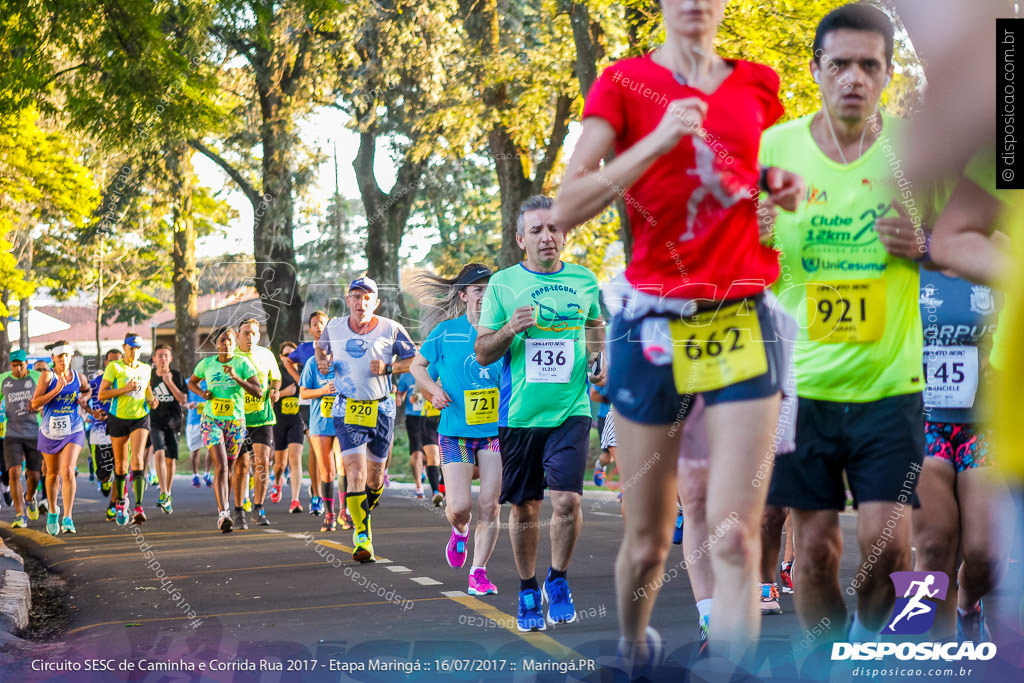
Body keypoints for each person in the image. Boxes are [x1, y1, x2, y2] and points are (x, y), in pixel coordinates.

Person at [554, 0, 802, 667]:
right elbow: (567, 205)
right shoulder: (624, 82)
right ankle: (636, 651)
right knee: (648, 537)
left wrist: (785, 195)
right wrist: (659, 139)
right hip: (652, 322)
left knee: (738, 538)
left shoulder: (758, 84)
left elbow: (777, 185)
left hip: (740, 318)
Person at [761, 4, 942, 646]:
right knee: (811, 552)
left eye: (870, 65)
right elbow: (747, 266)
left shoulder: (918, 155)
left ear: (889, 74)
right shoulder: (775, 150)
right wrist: (752, 244)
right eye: (840, 64)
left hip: (890, 385)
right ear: (816, 70)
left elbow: (972, 234)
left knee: (888, 549)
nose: (854, 79)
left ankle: (874, 646)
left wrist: (927, 245)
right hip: (804, 388)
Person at [475, 196, 605, 633]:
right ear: (521, 240)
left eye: (554, 229)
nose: (547, 237)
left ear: (564, 233)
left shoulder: (585, 279)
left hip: (571, 409)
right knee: (526, 508)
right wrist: (511, 327)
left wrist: (598, 356)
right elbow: (483, 351)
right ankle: (529, 587)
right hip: (519, 416)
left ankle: (559, 579)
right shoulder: (503, 285)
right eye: (537, 231)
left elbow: (594, 323)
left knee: (567, 499)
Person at [409, 263, 504, 595]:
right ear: (463, 295)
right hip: (455, 431)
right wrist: (433, 390)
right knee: (460, 507)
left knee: (490, 506)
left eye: (490, 289)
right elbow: (417, 366)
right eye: (478, 290)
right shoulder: (447, 332)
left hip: (495, 433)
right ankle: (460, 531)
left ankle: (478, 572)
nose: (485, 295)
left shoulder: (503, 332)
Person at [315, 277, 417, 562]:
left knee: (373, 478)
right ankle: (362, 536)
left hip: (381, 408)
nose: (361, 303)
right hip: (346, 408)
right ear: (348, 300)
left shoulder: (391, 328)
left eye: (367, 298)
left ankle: (363, 508)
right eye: (356, 297)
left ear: (376, 302)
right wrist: (323, 360)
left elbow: (414, 359)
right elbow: (320, 347)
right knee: (354, 471)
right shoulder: (334, 327)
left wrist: (389, 368)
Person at [188, 327, 262, 532]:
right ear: (216, 343)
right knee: (220, 466)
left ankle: (227, 508)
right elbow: (192, 383)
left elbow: (258, 392)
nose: (226, 344)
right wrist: (203, 393)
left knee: (229, 468)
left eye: (230, 340)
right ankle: (223, 514)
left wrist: (238, 378)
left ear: (234, 341)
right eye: (222, 340)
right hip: (211, 420)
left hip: (235, 422)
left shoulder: (243, 363)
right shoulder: (206, 364)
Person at [30, 342, 91, 535]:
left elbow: (87, 390)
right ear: (53, 359)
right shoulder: (48, 376)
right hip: (50, 431)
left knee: (68, 471)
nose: (63, 360)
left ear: (70, 357)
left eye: (66, 356)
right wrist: (56, 391)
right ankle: (53, 511)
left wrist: (84, 400)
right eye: (59, 357)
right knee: (52, 474)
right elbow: (35, 403)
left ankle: (68, 516)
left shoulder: (78, 377)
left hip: (73, 429)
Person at [98, 333, 158, 526]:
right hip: (118, 418)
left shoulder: (146, 368)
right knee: (121, 465)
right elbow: (102, 395)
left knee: (138, 458)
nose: (135, 352)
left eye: (138, 348)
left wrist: (152, 400)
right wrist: (124, 388)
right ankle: (122, 503)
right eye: (131, 348)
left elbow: (146, 389)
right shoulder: (114, 367)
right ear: (124, 347)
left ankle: (139, 508)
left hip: (140, 417)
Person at [236, 318, 281, 528]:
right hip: (236, 420)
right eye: (246, 333)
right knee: (242, 466)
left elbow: (276, 378)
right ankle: (238, 510)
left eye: (254, 333)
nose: (250, 337)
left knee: (262, 463)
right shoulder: (231, 357)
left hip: (263, 418)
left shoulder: (266, 354)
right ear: (237, 336)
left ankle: (259, 508)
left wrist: (274, 389)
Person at [285, 311, 329, 516]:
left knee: (331, 448)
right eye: (314, 324)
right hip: (309, 401)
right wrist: (299, 378)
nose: (319, 326)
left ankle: (334, 495)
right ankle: (316, 494)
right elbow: (287, 361)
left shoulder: (336, 348)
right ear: (309, 329)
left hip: (332, 401)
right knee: (315, 446)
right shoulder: (303, 349)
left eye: (322, 322)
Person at [299, 352, 345, 529]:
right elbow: (303, 393)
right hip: (320, 423)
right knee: (327, 472)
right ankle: (329, 514)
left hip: (343, 421)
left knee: (343, 468)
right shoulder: (313, 363)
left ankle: (344, 511)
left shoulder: (345, 360)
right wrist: (323, 391)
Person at [0, 349, 42, 528]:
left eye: (21, 365)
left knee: (34, 475)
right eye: (14, 365)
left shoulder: (37, 377)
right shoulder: (3, 379)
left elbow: (48, 399)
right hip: (12, 434)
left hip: (35, 432)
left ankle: (30, 497)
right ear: (11, 365)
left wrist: (39, 407)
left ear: (27, 364)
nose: (18, 369)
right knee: (14, 472)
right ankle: (20, 515)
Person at [149, 345, 187, 515]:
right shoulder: (149, 377)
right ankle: (163, 491)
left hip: (173, 421)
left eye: (166, 356)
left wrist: (169, 382)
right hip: (155, 420)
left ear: (170, 359)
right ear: (154, 359)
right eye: (160, 356)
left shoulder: (177, 376)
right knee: (159, 453)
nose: (163, 359)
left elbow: (182, 399)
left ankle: (168, 493)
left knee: (171, 460)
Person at [396, 371, 442, 503]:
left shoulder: (447, 368)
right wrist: (409, 398)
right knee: (426, 455)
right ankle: (433, 491)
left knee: (440, 457)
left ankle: (441, 487)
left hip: (445, 419)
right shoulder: (417, 373)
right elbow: (409, 396)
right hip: (423, 419)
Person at [271, 341, 305, 513]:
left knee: (295, 458)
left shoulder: (303, 371)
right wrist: (285, 393)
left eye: (292, 354)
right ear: (280, 356)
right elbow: (270, 396)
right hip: (279, 421)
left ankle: (295, 500)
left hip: (297, 421)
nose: (289, 358)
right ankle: (277, 482)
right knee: (280, 464)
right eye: (286, 354)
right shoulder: (275, 372)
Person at [88, 349, 122, 501]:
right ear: (106, 363)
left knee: (120, 470)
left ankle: (114, 505)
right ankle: (104, 481)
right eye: (111, 361)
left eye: (118, 361)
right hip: (99, 434)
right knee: (103, 474)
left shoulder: (126, 382)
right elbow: (84, 401)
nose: (114, 364)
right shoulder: (95, 382)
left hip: (121, 431)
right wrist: (92, 413)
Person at [185, 380, 212, 488]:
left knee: (211, 448)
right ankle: (195, 475)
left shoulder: (212, 381)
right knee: (195, 450)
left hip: (210, 420)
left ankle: (207, 474)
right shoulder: (188, 382)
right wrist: (188, 405)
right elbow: (182, 400)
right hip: (194, 421)